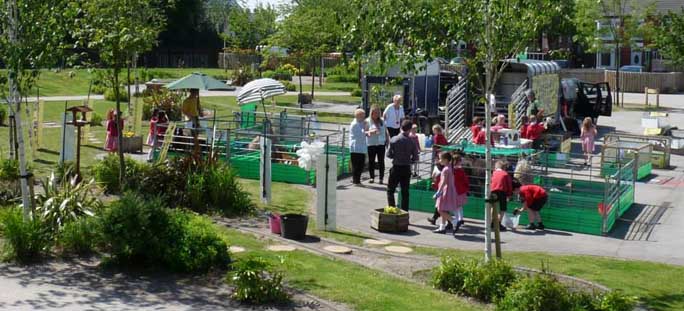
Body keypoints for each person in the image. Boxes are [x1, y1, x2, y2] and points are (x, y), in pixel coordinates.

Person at [387, 120, 420, 212]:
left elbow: (389, 154)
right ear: (410, 129)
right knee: (405, 192)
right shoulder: (412, 141)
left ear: (401, 127)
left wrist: (396, 156)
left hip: (396, 166)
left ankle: (392, 210)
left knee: (390, 190)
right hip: (406, 168)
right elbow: (416, 157)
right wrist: (410, 161)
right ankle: (405, 213)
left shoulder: (394, 139)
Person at [433, 152, 458, 234]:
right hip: (449, 190)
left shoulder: (445, 169)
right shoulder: (449, 167)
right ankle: (442, 227)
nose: (439, 160)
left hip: (445, 191)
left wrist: (438, 192)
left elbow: (443, 182)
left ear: (446, 160)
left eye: (440, 159)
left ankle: (454, 221)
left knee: (440, 209)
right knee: (444, 209)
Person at [366, 105, 388, 184]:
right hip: (371, 143)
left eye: (378, 113)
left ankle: (381, 178)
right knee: (371, 161)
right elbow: (364, 133)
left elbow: (386, 131)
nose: (377, 114)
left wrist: (388, 140)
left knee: (381, 161)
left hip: (381, 143)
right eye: (375, 113)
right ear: (371, 113)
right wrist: (371, 132)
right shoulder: (367, 121)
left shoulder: (382, 121)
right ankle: (372, 177)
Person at [490, 160, 512, 232]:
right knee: (502, 209)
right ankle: (498, 223)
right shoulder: (505, 174)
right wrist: (509, 195)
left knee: (493, 207)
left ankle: (491, 222)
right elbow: (509, 185)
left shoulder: (493, 173)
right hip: (502, 191)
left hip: (493, 191)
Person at [349, 109, 368, 185]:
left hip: (361, 147)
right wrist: (367, 129)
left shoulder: (360, 122)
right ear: (358, 116)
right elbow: (362, 134)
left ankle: (357, 179)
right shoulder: (355, 124)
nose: (364, 118)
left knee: (361, 165)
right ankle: (356, 180)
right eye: (363, 116)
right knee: (356, 165)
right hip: (356, 147)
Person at [451, 153, 469, 234]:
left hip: (454, 189)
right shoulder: (461, 170)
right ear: (459, 161)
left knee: (454, 206)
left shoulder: (452, 170)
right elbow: (465, 180)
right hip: (461, 190)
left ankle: (457, 219)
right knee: (459, 206)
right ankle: (460, 219)